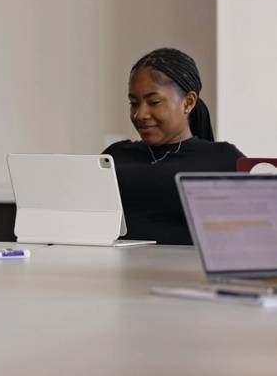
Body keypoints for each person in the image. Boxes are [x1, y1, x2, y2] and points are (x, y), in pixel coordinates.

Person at [103, 47, 244, 245]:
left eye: (154, 102)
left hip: (184, 275)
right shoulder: (113, 158)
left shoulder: (224, 161)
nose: (139, 114)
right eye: (134, 103)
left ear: (188, 102)